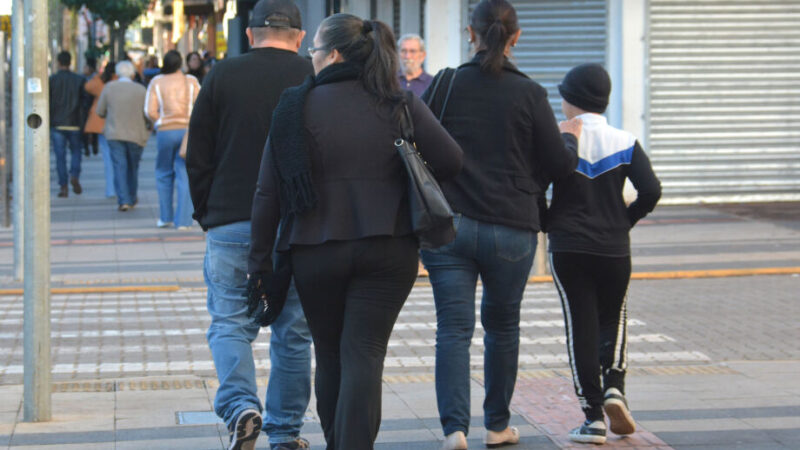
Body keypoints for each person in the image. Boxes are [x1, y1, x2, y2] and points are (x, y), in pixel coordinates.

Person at [248, 13, 462, 450]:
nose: (311, 59)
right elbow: (452, 159)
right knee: (364, 353)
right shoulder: (399, 102)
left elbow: (267, 193)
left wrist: (258, 263)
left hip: (314, 249)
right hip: (390, 246)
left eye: (314, 52)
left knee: (329, 354)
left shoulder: (294, 106)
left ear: (332, 55)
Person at [419, 1, 581, 448]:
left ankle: (454, 429)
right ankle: (496, 426)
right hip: (512, 228)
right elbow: (558, 166)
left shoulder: (447, 84)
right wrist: (570, 138)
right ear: (517, 37)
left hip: (448, 225)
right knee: (503, 326)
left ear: (470, 34)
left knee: (453, 328)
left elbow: (416, 143)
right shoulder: (528, 94)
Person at [186, 1, 315, 449]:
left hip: (231, 218)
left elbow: (197, 152)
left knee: (228, 321)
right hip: (297, 224)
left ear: (250, 34)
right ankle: (285, 433)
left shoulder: (221, 75)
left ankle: (241, 405)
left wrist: (207, 210)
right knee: (294, 330)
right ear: (300, 37)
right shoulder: (311, 75)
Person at [547, 63, 661, 445]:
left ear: (571, 100)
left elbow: (531, 187)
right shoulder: (624, 140)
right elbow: (651, 191)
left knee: (580, 325)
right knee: (615, 316)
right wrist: (622, 221)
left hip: (568, 248)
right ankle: (615, 387)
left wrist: (548, 222)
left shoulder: (558, 139)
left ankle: (593, 417)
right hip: (613, 248)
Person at [145, 50, 200, 230]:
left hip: (165, 131)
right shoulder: (191, 81)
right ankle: (184, 220)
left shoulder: (157, 82)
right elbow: (202, 106)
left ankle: (165, 217)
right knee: (185, 174)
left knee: (163, 173)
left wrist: (160, 121)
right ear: (180, 63)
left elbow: (149, 110)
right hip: (188, 131)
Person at [95, 61, 151, 212]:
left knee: (119, 166)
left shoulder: (109, 88)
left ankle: (123, 200)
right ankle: (132, 197)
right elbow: (148, 113)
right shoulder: (141, 90)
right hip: (136, 134)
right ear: (133, 74)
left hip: (115, 133)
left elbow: (100, 111)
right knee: (133, 167)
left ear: (117, 74)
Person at [49, 51, 87, 198]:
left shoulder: (53, 80)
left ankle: (63, 186)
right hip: (75, 122)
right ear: (70, 62)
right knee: (76, 152)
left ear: (58, 62)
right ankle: (75, 175)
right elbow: (85, 102)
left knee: (60, 156)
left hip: (57, 123)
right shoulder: (79, 80)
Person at [84, 60, 117, 198]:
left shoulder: (100, 83)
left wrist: (98, 76)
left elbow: (87, 86)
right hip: (118, 123)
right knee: (119, 158)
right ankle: (121, 189)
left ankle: (111, 190)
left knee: (108, 158)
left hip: (102, 124)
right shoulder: (120, 82)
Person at [81, 58, 98, 157]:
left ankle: (94, 146)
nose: (84, 69)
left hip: (93, 106)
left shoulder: (95, 79)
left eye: (86, 68)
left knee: (94, 129)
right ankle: (87, 147)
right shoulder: (82, 79)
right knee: (85, 129)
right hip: (85, 107)